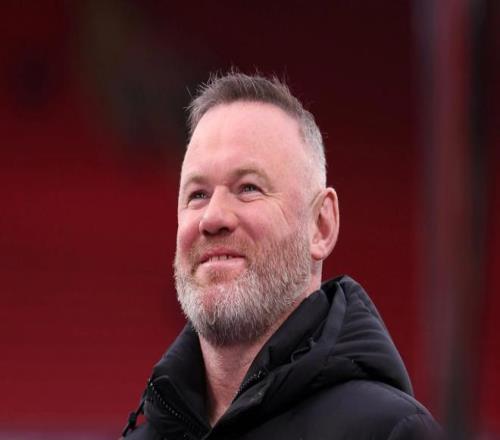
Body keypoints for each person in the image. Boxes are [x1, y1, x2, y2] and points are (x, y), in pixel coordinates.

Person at [121, 72, 440, 439]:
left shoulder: (391, 432)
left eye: (248, 188)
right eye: (198, 194)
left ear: (321, 225)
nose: (212, 217)